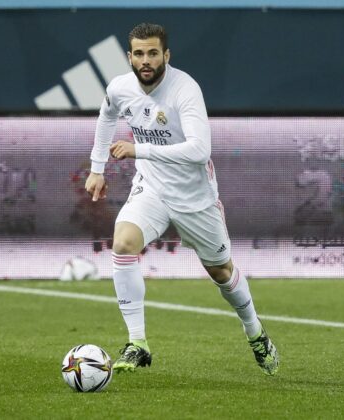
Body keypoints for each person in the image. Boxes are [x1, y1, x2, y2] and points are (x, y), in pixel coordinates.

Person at [85, 23, 279, 376]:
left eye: (153, 53)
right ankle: (137, 343)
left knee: (221, 272)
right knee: (123, 243)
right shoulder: (120, 88)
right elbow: (106, 115)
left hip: (194, 198)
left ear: (166, 55)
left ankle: (255, 331)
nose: (146, 60)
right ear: (129, 57)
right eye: (139, 54)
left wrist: (139, 149)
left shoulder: (185, 89)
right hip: (152, 188)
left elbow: (199, 150)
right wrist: (97, 168)